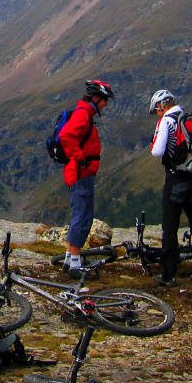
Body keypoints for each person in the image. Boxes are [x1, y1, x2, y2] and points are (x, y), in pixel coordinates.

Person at [149, 89, 192, 287]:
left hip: (176, 180)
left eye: (156, 110)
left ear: (161, 106)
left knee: (170, 227)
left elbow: (157, 151)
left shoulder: (166, 120)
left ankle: (169, 275)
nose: (157, 113)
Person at [57, 80, 115, 278]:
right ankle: (75, 264)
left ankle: (68, 259)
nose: (106, 104)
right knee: (82, 217)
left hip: (82, 173)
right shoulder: (83, 114)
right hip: (81, 173)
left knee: (79, 215)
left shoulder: (86, 114)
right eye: (105, 100)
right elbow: (66, 136)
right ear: (96, 98)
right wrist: (80, 158)